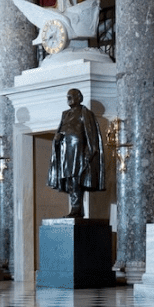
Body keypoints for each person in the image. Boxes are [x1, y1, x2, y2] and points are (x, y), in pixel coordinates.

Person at [47, 88, 104, 218]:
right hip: (66, 153)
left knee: (76, 181)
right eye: (67, 97)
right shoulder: (65, 114)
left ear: (79, 97)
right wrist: (57, 139)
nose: (68, 99)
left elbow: (91, 135)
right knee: (70, 181)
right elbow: (60, 131)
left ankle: (76, 209)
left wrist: (89, 153)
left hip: (79, 153)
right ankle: (76, 209)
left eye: (71, 96)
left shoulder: (85, 113)